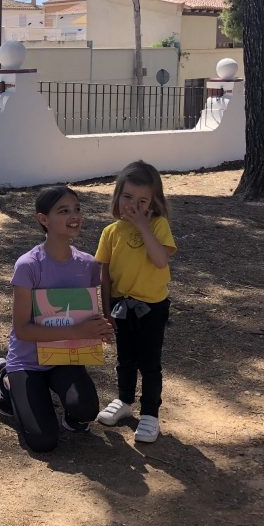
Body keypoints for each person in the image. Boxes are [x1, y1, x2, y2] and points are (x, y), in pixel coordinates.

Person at [0, 186, 113, 453]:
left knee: (86, 411)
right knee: (43, 441)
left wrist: (101, 328)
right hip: (27, 361)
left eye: (77, 209)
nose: (74, 216)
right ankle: (5, 379)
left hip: (65, 357)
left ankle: (67, 409)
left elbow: (91, 312)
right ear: (43, 219)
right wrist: (79, 330)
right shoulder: (28, 265)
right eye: (63, 211)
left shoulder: (89, 265)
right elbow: (23, 330)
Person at [94, 161, 178, 443]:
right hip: (121, 305)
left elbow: (160, 259)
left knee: (149, 362)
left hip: (152, 307)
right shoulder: (110, 232)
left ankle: (150, 413)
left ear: (155, 202)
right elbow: (104, 276)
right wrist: (106, 310)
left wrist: (143, 226)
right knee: (125, 359)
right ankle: (124, 400)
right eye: (128, 197)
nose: (133, 205)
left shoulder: (158, 226)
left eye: (143, 201)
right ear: (117, 196)